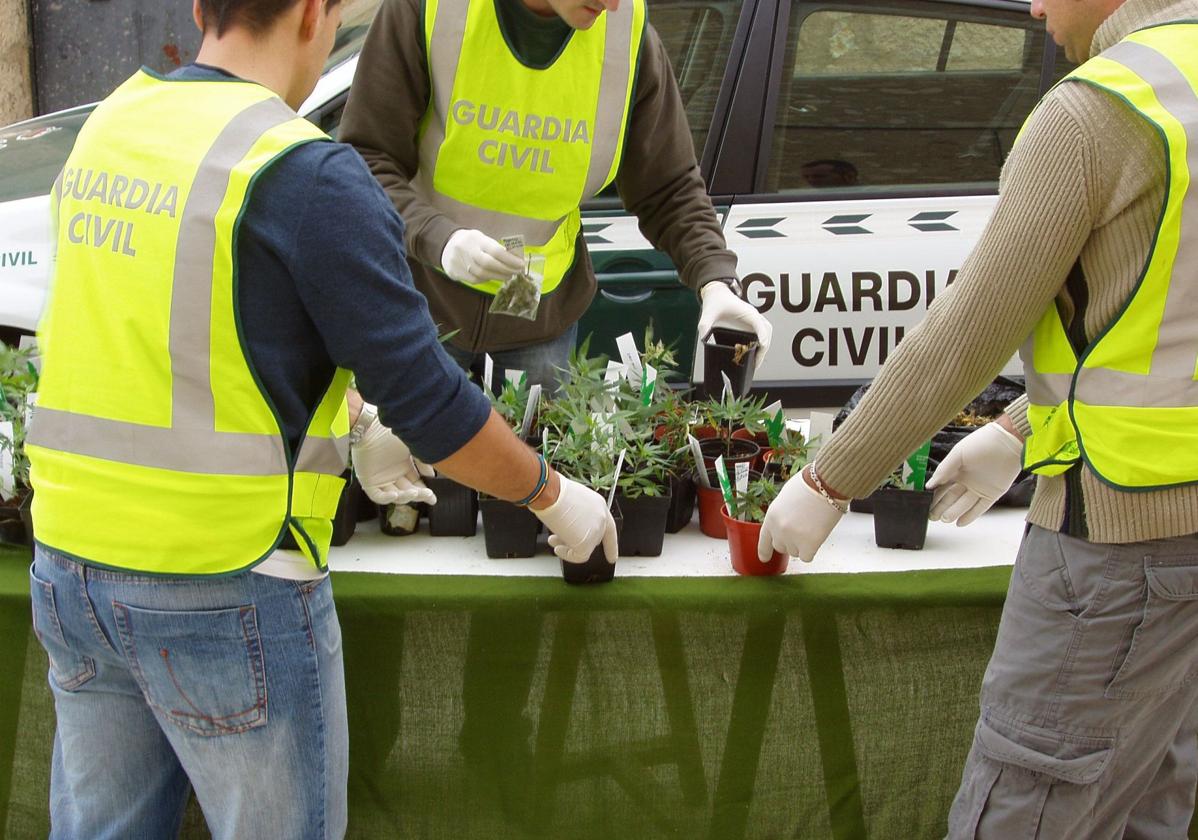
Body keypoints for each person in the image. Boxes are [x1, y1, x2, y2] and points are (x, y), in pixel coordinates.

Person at [24, 0, 617, 837]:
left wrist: (350, 414)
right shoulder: (303, 170)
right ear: (314, 15)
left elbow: (180, 336)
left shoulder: (113, 124)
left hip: (72, 564)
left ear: (201, 9)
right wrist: (555, 496)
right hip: (227, 578)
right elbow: (435, 408)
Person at [758, 0, 1198, 833]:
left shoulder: (1097, 110)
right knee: (1151, 793)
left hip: (1115, 540)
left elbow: (967, 331)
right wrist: (1018, 428)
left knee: (1029, 803)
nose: (1032, 6)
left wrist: (829, 478)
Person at [338, 0, 772, 389]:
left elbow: (669, 186)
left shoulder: (626, 37)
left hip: (533, 318)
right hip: (417, 305)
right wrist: (438, 238)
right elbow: (365, 160)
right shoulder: (431, 9)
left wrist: (716, 279)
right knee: (416, 471)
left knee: (528, 471)